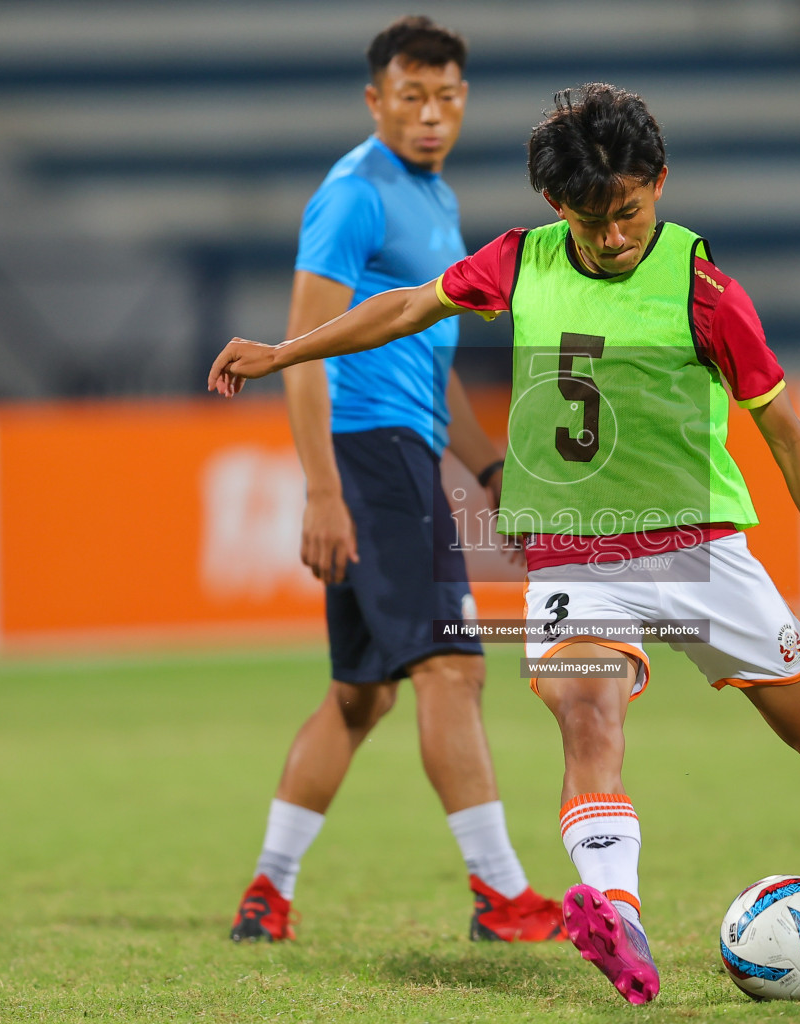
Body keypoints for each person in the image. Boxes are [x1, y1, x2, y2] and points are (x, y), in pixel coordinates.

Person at [208, 83, 800, 1004]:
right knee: (585, 712)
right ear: (554, 205)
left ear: (660, 182)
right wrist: (285, 353)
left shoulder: (704, 290)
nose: (613, 238)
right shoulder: (520, 262)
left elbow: (785, 435)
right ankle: (619, 916)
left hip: (699, 551)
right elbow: (406, 308)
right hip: (573, 554)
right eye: (592, 219)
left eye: (631, 214)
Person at [227, 16, 565, 945]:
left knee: (362, 693)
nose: (430, 115)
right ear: (376, 100)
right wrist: (323, 489)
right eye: (410, 97)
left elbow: (430, 352)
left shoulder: (437, 198)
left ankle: (269, 891)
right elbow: (301, 349)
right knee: (452, 668)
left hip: (402, 452)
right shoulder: (354, 196)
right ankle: (502, 895)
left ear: (464, 101)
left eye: (447, 97)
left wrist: (489, 464)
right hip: (368, 455)